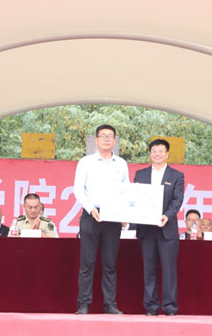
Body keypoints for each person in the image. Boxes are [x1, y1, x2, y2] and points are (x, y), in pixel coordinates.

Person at [74, 125, 129, 315]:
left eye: (110, 136)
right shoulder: (86, 162)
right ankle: (83, 304)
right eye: (103, 136)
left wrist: (124, 215)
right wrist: (90, 209)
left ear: (115, 140)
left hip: (113, 215)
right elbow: (78, 189)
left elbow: (126, 190)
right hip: (91, 214)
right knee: (87, 263)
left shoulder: (121, 164)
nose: (106, 139)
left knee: (110, 263)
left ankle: (110, 304)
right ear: (96, 140)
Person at [134, 139, 184, 316]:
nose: (157, 154)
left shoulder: (176, 175)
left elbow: (177, 200)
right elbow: (136, 198)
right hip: (146, 228)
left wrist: (167, 216)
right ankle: (151, 306)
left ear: (167, 154)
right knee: (149, 269)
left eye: (161, 151)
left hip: (166, 228)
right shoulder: (140, 174)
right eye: (154, 151)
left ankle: (170, 306)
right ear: (150, 154)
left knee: (169, 270)